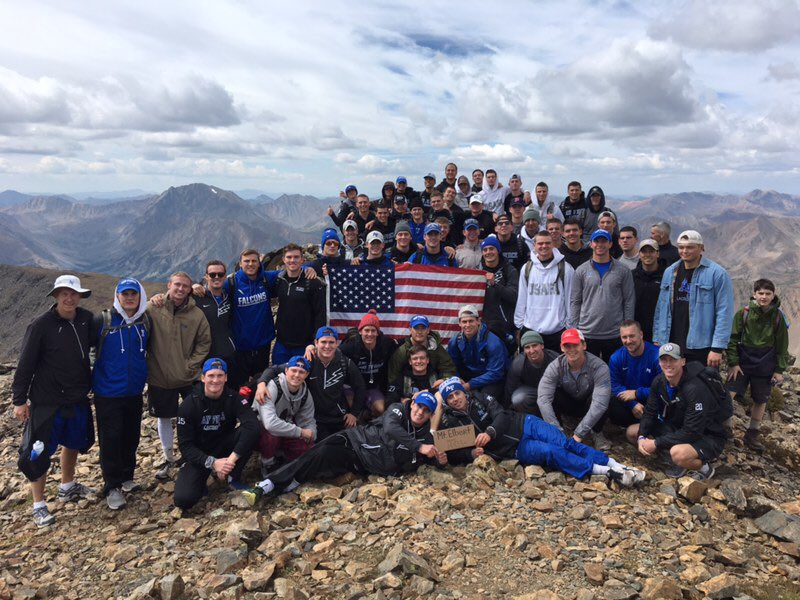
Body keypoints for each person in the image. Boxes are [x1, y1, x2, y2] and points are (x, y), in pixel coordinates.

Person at [435, 378, 644, 485]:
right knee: (551, 453)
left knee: (564, 442)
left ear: (463, 391)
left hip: (525, 423)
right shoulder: (451, 421)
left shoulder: (481, 397)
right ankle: (605, 471)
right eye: (450, 397)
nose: (455, 398)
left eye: (457, 393)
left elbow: (501, 415)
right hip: (514, 448)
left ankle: (615, 464)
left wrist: (489, 431)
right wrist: (470, 454)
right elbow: (452, 451)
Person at [243, 392, 443, 502]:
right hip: (353, 441)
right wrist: (419, 447)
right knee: (318, 453)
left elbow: (430, 456)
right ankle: (268, 484)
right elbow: (391, 429)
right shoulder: (398, 410)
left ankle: (290, 480)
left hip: (364, 464)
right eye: (419, 406)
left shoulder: (427, 436)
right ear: (413, 403)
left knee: (321, 466)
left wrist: (440, 461)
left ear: (430, 416)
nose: (419, 412)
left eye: (426, 411)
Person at [13, 275, 96, 527]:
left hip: (77, 396)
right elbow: (25, 364)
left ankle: (67, 486)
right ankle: (38, 504)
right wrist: (19, 400)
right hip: (47, 400)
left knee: (72, 442)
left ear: (80, 296)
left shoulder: (86, 320)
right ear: (56, 296)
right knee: (39, 451)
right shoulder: (40, 326)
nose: (69, 298)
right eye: (63, 294)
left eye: (73, 294)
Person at [92, 278, 151, 510]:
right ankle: (112, 486)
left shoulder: (145, 322)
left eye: (133, 294)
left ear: (139, 296)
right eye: (124, 294)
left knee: (131, 436)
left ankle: (127, 476)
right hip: (107, 393)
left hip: (134, 391)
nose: (129, 298)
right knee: (110, 439)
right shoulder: (103, 320)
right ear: (117, 296)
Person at [147, 271, 211, 480]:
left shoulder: (196, 314)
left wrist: (190, 365)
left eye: (185, 286)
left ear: (190, 289)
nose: (180, 289)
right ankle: (168, 457)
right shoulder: (153, 308)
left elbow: (204, 342)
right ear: (168, 285)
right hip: (159, 375)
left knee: (193, 415)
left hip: (187, 376)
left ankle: (193, 454)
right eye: (177, 285)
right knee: (164, 417)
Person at [173, 358, 260, 510]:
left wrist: (232, 459)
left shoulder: (233, 398)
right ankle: (203, 479)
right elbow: (185, 446)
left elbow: (252, 425)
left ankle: (233, 475)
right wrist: (212, 462)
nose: (215, 380)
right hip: (200, 453)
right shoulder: (188, 405)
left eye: (220, 376)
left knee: (252, 430)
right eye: (211, 376)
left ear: (226, 377)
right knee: (183, 499)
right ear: (203, 377)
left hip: (225, 446)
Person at [636, 343, 728, 480]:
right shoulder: (659, 381)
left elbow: (692, 431)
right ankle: (670, 456)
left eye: (673, 360)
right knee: (633, 432)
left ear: (683, 362)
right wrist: (641, 437)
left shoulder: (695, 388)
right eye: (664, 360)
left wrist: (656, 443)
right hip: (678, 426)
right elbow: (650, 411)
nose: (668, 364)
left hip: (707, 435)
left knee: (677, 453)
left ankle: (704, 468)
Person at [257, 326, 366, 440]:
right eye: (323, 342)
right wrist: (261, 384)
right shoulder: (308, 360)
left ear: (337, 343)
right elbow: (274, 369)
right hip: (313, 418)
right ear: (316, 343)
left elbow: (360, 387)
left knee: (349, 444)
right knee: (321, 448)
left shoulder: (345, 362)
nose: (327, 346)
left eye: (331, 342)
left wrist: (354, 413)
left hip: (339, 416)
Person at [653, 230, 734, 367]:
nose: (685, 251)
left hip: (701, 346)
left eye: (690, 247)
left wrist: (717, 348)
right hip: (672, 343)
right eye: (681, 247)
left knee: (701, 385)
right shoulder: (670, 272)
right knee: (675, 385)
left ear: (701, 248)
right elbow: (661, 306)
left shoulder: (717, 274)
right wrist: (658, 337)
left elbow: (724, 312)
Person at [726, 278, 790, 451]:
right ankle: (725, 428)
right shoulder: (743, 314)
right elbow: (732, 339)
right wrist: (733, 362)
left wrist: (779, 370)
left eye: (768, 294)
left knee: (761, 400)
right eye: (760, 293)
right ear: (754, 294)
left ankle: (752, 435)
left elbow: (782, 345)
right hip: (742, 362)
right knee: (728, 393)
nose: (764, 297)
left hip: (765, 364)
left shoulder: (778, 317)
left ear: (773, 295)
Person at [537, 329, 612, 450]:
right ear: (561, 348)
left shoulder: (599, 367)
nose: (571, 349)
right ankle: (560, 431)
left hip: (590, 403)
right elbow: (543, 399)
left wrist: (578, 434)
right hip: (569, 403)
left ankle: (597, 432)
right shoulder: (554, 366)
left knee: (605, 398)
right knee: (552, 395)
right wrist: (555, 431)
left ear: (584, 345)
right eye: (567, 346)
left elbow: (600, 404)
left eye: (575, 345)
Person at [569, 229, 635, 362]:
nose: (600, 244)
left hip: (614, 333)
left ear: (610, 244)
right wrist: (574, 328)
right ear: (591, 244)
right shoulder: (581, 271)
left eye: (604, 241)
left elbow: (629, 300)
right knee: (588, 372)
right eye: (596, 241)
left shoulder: (623, 270)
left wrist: (627, 328)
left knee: (614, 371)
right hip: (587, 332)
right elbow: (575, 301)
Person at [225, 249, 280, 386]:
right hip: (240, 348)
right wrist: (195, 287)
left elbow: (293, 269)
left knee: (261, 384)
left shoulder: (266, 278)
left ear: (259, 262)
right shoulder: (231, 283)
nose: (250, 264)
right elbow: (211, 291)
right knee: (241, 387)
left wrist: (309, 270)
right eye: (247, 261)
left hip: (263, 345)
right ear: (240, 263)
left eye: (254, 261)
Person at [254, 355, 315, 476]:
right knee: (271, 435)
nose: (297, 375)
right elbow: (270, 424)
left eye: (301, 372)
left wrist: (311, 433)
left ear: (307, 375)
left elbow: (308, 420)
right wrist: (301, 432)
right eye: (294, 370)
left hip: (285, 427)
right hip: (261, 430)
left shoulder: (305, 393)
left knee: (307, 446)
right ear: (286, 370)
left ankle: (287, 462)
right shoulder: (271, 387)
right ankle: (268, 464)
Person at [515, 230, 574, 353]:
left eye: (547, 243)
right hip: (531, 329)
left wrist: (569, 326)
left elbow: (570, 299)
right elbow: (522, 297)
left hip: (557, 330)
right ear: (535, 246)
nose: (544, 246)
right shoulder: (527, 268)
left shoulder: (566, 268)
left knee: (557, 369)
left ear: (553, 244)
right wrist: (519, 324)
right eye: (540, 243)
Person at [272, 244, 326, 365]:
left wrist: (315, 342)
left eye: (296, 257)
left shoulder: (313, 282)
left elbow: (320, 314)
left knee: (300, 379)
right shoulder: (279, 280)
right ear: (284, 259)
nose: (292, 260)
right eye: (289, 257)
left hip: (304, 345)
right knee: (279, 377)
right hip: (282, 343)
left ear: (302, 259)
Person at [608, 321, 661, 435]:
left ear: (641, 335)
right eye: (624, 337)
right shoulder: (616, 358)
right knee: (611, 403)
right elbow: (615, 386)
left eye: (632, 336)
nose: (628, 341)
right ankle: (633, 427)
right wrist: (632, 404)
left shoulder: (657, 355)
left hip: (651, 398)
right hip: (630, 400)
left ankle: (651, 428)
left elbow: (664, 387)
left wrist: (637, 393)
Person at [447, 305, 508, 402]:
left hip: (492, 379)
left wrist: (470, 385)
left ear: (478, 321)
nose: (467, 325)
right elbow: (451, 365)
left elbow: (496, 373)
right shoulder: (455, 341)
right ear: (459, 323)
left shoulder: (493, 342)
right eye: (464, 322)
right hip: (469, 377)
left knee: (482, 400)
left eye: (471, 321)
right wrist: (457, 379)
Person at [339, 310, 399, 410]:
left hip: (373, 387)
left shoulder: (386, 344)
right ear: (360, 331)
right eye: (366, 330)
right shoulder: (350, 346)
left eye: (373, 330)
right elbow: (331, 352)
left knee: (381, 410)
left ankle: (368, 416)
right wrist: (312, 347)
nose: (370, 334)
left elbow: (402, 346)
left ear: (378, 333)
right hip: (352, 387)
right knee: (351, 408)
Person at [388, 315, 457, 384]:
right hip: (408, 388)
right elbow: (393, 376)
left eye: (423, 328)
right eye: (416, 328)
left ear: (428, 330)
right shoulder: (402, 351)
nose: (419, 332)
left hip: (433, 386)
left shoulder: (436, 348)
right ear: (410, 329)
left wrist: (444, 381)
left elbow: (448, 368)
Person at [479, 236, 519, 354]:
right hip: (485, 328)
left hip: (506, 328)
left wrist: (494, 284)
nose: (488, 252)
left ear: (498, 250)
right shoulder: (477, 272)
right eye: (485, 250)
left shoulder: (510, 270)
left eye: (491, 249)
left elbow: (514, 296)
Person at [194, 261, 236, 371]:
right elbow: (176, 297)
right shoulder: (196, 298)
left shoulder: (229, 296)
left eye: (220, 274)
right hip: (205, 357)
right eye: (212, 275)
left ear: (225, 277)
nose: (216, 277)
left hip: (229, 354)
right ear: (206, 277)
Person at [505, 331, 559, 414]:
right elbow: (510, 388)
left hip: (554, 393)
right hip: (534, 393)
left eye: (534, 345)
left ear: (542, 345)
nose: (531, 350)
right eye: (527, 347)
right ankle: (536, 417)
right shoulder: (518, 363)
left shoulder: (555, 359)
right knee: (517, 398)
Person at [632, 239, 664, 341]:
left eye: (651, 251)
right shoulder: (631, 276)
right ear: (639, 254)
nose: (647, 254)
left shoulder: (666, 276)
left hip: (659, 330)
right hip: (636, 330)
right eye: (644, 251)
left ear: (657, 254)